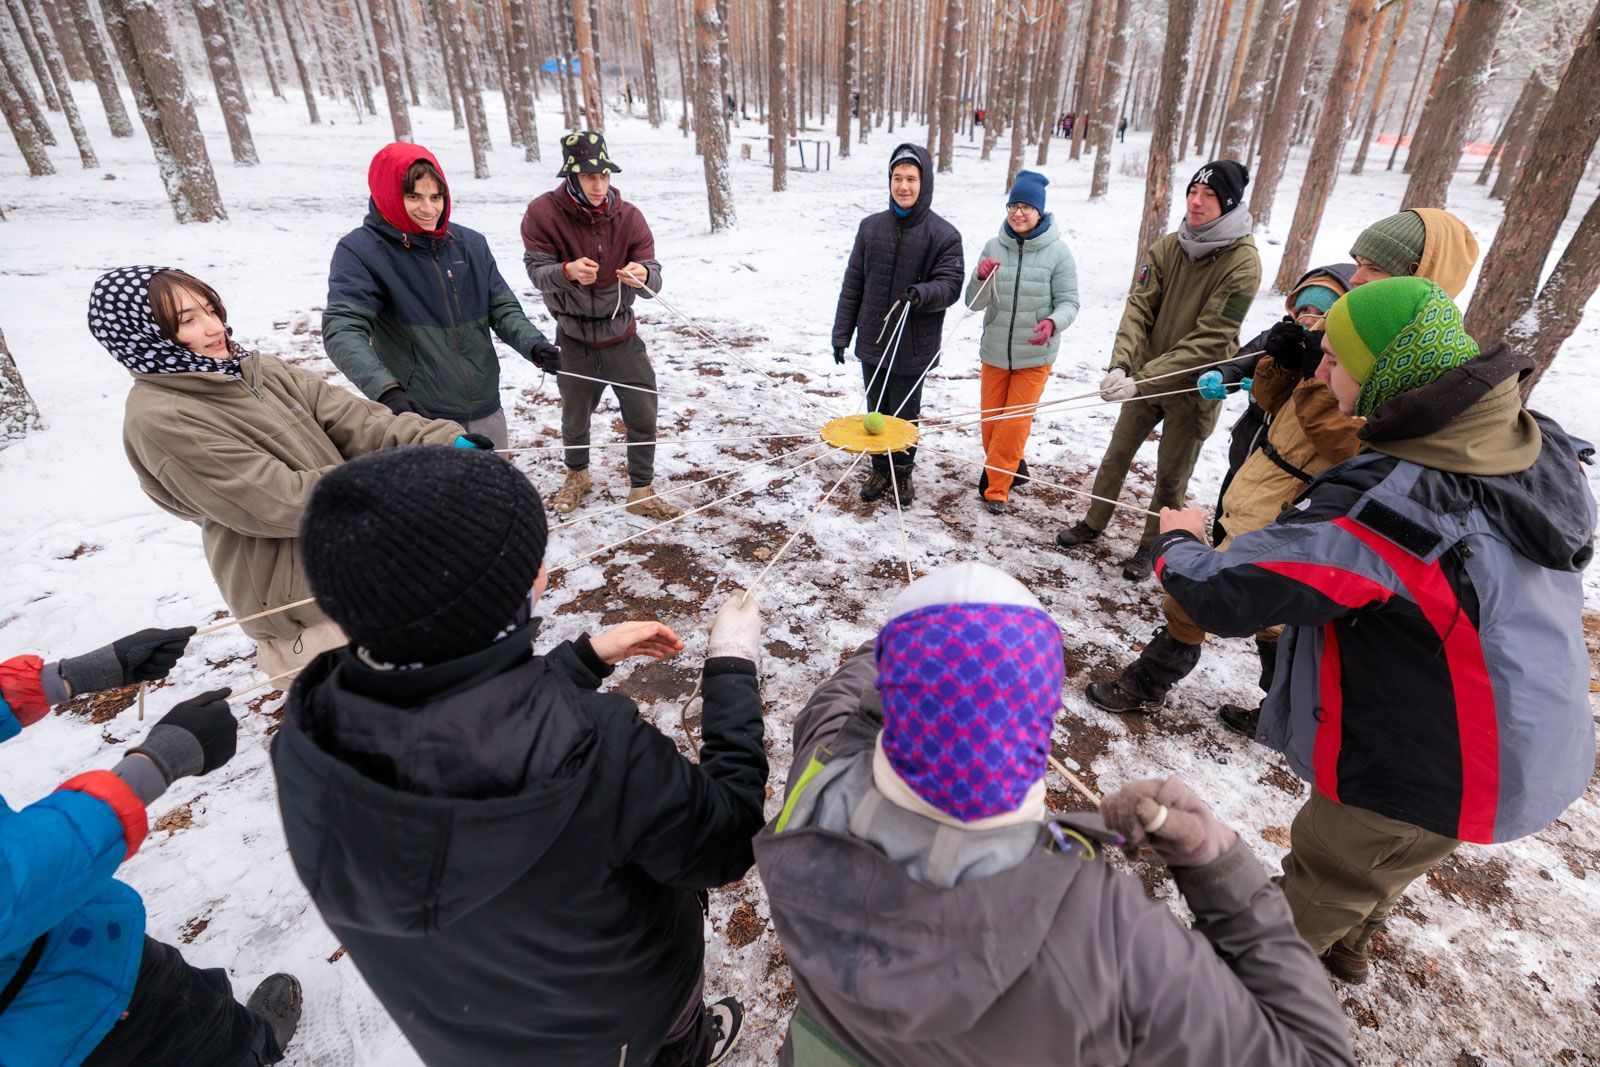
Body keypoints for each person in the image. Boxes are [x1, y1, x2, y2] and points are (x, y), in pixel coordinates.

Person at [1151, 277, 1596, 985]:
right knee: (1393, 854)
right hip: (1522, 734)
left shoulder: (1391, 503)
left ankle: (1219, 1000)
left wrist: (1178, 543)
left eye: (1335, 358)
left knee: (1327, 869)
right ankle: (1349, 942)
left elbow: (1230, 594)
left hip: (1439, 758)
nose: (1321, 372)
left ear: (1387, 367)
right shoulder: (1519, 441)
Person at [271, 445, 768, 1066]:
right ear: (494, 594)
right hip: (624, 1021)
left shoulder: (310, 726)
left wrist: (578, 663)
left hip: (466, 1032)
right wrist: (731, 669)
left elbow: (450, 726)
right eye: (530, 559)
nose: (543, 569)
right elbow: (726, 839)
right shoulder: (596, 749)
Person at [753, 562, 1355, 1066]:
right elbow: (1316, 1054)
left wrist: (919, 642)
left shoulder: (818, 773)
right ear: (1037, 720)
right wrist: (1217, 865)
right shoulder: (1103, 935)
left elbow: (847, 698)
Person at [95, 265, 476, 679]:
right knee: (373, 727)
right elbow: (279, 500)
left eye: (210, 309)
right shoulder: (165, 418)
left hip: (369, 563)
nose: (213, 327)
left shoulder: (257, 371)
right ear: (141, 333)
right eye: (187, 321)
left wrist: (439, 441)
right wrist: (403, 480)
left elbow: (355, 420)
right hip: (311, 605)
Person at [0, 627, 302, 1065]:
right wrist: (156, 764)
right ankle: (244, 1052)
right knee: (185, 1036)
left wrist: (68, 677)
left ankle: (247, 1041)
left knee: (191, 1002)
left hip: (72, 933)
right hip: (48, 1023)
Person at [1082, 264, 1357, 715]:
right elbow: (1263, 388)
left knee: (1262, 615)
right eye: (1303, 308)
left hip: (1297, 506)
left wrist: (1311, 371)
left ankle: (1277, 709)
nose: (1309, 319)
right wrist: (1276, 367)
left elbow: (1342, 440)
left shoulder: (1347, 371)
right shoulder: (1300, 344)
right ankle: (1150, 685)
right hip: (1257, 486)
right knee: (1208, 594)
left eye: (1320, 313)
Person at [1055, 159, 1261, 580]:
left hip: (1194, 386)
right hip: (1143, 377)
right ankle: (1094, 521)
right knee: (1116, 454)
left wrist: (1141, 378)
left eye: (1208, 196)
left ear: (1229, 204)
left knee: (1171, 476)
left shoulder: (1243, 264)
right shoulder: (1169, 246)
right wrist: (1122, 364)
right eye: (1192, 192)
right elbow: (1139, 307)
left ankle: (1152, 545)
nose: (1197, 202)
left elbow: (1211, 338)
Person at [323, 142, 561, 449]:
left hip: (486, 408)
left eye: (436, 196)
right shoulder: (362, 252)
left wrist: (534, 344)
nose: (428, 209)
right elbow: (342, 331)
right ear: (389, 194)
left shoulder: (470, 245)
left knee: (497, 493)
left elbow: (502, 308)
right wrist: (387, 391)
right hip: (421, 419)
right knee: (436, 498)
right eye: (414, 196)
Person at [521, 131, 682, 520]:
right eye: (589, 175)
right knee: (574, 415)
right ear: (572, 175)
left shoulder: (629, 216)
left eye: (604, 175)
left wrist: (643, 274)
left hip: (622, 336)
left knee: (643, 411)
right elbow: (536, 272)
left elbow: (654, 276)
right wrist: (567, 272)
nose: (598, 184)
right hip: (573, 337)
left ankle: (641, 489)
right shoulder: (543, 213)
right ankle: (578, 476)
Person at [831, 143, 964, 506]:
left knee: (903, 416)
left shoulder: (944, 235)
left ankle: (902, 473)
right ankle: (879, 468)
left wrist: (923, 293)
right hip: (873, 338)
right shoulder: (870, 228)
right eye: (897, 178)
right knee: (875, 413)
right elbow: (853, 282)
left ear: (925, 183)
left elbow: (951, 285)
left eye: (911, 179)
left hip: (914, 345)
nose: (903, 186)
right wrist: (842, 332)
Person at [964, 170, 1079, 515]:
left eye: (1026, 206)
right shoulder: (993, 246)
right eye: (1013, 204)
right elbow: (973, 303)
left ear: (1040, 211)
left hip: (1035, 355)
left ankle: (996, 487)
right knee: (991, 425)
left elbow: (1069, 302)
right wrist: (981, 277)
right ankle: (1015, 465)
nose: (1018, 213)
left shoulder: (1059, 253)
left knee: (1013, 424)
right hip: (995, 351)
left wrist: (1052, 322)